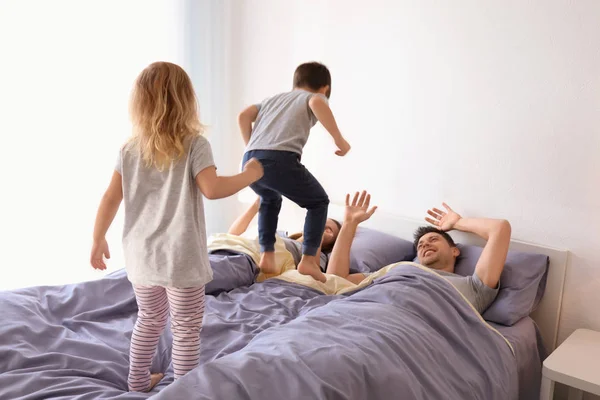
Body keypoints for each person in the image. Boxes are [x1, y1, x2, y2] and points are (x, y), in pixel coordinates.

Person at [89, 62, 264, 392]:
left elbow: (110, 197)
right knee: (185, 326)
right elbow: (212, 189)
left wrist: (98, 238)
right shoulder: (195, 144)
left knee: (149, 318)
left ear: (139, 102)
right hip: (180, 256)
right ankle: (183, 390)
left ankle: (137, 382)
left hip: (141, 255)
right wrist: (250, 175)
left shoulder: (129, 149)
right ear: (186, 100)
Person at [237, 62, 352, 283]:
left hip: (250, 161)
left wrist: (251, 147)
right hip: (280, 159)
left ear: (295, 83)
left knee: (270, 199)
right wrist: (339, 140)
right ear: (325, 88)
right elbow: (316, 101)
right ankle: (309, 260)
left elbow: (243, 115)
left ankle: (267, 255)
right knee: (318, 202)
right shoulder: (314, 97)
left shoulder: (271, 101)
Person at [326, 197, 512, 314]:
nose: (426, 245)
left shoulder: (473, 288)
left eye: (433, 239)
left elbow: (500, 229)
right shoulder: (398, 270)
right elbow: (336, 279)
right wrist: (350, 224)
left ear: (455, 250)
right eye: (421, 245)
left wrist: (457, 222)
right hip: (360, 313)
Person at [227, 197, 342, 274]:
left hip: (247, 261)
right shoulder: (281, 235)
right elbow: (231, 237)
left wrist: (317, 238)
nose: (318, 224)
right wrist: (257, 204)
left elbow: (312, 275)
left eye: (328, 229)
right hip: (230, 250)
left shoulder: (319, 256)